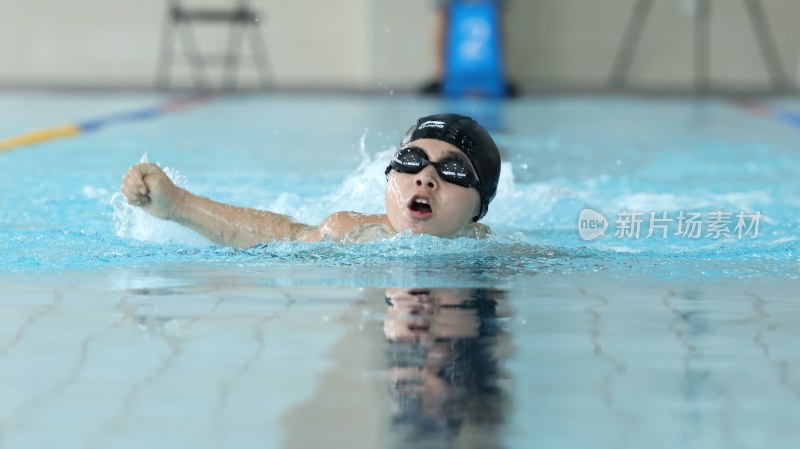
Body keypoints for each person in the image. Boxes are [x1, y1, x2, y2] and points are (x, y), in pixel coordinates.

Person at [120, 113, 501, 247]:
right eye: (411, 161)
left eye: (452, 170)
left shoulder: (492, 256)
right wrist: (180, 204)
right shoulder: (352, 232)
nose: (425, 178)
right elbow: (277, 236)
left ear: (478, 209)